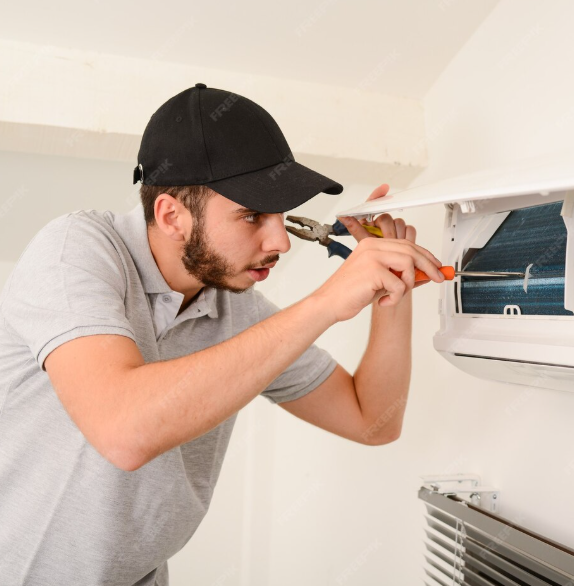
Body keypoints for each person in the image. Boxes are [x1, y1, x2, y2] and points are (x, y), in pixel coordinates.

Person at [0, 84, 445, 585]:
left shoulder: (235, 306)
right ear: (171, 216)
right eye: (252, 215)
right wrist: (324, 304)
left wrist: (392, 286)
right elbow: (123, 432)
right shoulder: (75, 251)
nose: (280, 241)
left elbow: (372, 420)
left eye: (280, 215)